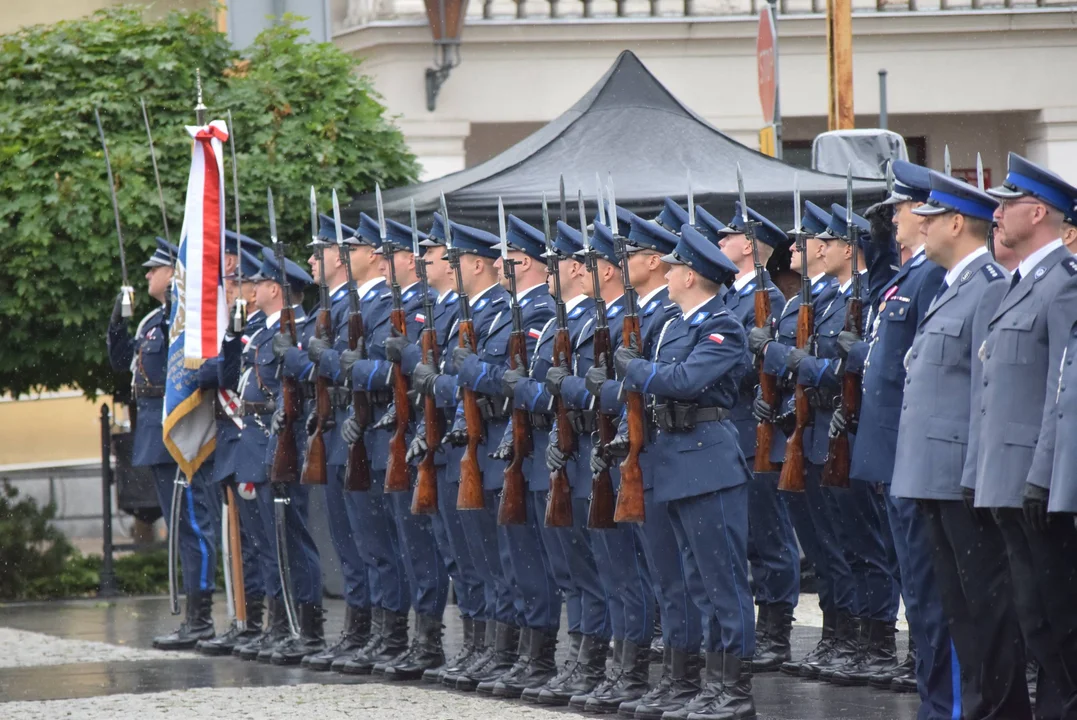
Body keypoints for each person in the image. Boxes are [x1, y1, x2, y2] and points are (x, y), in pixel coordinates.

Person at [893, 170, 1031, 718]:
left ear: (956, 223)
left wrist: (979, 476)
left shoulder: (988, 287)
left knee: (987, 613)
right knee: (960, 612)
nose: (918, 229)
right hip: (935, 475)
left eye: (929, 219)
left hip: (963, 480)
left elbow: (987, 395)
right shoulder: (953, 287)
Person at [614, 223, 756, 720]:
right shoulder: (672, 323)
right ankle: (708, 684)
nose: (668, 274)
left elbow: (686, 380)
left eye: (674, 267)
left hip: (708, 460)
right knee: (697, 583)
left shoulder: (721, 326)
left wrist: (634, 369)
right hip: (674, 458)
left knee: (724, 582)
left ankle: (734, 690)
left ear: (691, 276)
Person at [974, 152, 1077, 719]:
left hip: (1035, 483)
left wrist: (1041, 476)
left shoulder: (1061, 285)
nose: (998, 212)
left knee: (1056, 621)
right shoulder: (1022, 284)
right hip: (1006, 480)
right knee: (1033, 619)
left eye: (1008, 202)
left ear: (1037, 212)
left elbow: (1061, 390)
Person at [547, 213, 656, 714]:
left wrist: (571, 388)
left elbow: (625, 393)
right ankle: (602, 663)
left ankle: (630, 670)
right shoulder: (593, 321)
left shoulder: (642, 321)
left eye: (588, 262)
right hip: (594, 452)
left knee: (630, 572)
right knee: (601, 570)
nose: (578, 270)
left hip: (625, 455)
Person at [341, 217, 451, 681]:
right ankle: (393, 637)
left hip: (415, 430)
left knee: (421, 546)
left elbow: (405, 374)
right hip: (389, 431)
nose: (383, 265)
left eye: (392, 256)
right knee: (387, 544)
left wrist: (345, 367)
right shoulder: (401, 305)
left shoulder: (420, 308)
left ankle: (424, 640)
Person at [409, 222, 517, 691]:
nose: (437, 266)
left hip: (486, 442)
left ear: (476, 263)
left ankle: (504, 650)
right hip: (457, 446)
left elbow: (491, 381)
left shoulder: (501, 311)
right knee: (466, 556)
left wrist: (439, 383)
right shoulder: (457, 313)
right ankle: (478, 644)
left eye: (446, 258)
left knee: (498, 559)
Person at [108, 237, 221, 651]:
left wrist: (179, 296)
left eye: (154, 269)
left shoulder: (184, 318)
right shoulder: (151, 322)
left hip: (182, 433)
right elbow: (122, 362)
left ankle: (201, 617)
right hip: (156, 432)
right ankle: (193, 616)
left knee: (194, 526)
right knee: (180, 529)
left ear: (174, 274)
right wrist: (117, 319)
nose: (147, 275)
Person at [748, 201, 845, 679]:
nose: (800, 247)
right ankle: (838, 636)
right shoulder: (800, 299)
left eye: (810, 240)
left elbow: (824, 367)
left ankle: (857, 637)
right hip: (796, 432)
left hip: (826, 431)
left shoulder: (833, 299)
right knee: (819, 540)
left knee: (841, 543)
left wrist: (783, 367)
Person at [226, 247, 323, 665]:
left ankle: (308, 626)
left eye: (261, 283)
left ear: (277, 290)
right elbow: (230, 375)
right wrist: (232, 336)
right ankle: (280, 623)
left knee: (293, 540)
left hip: (285, 441)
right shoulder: (260, 332)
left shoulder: (300, 330)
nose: (252, 289)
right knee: (268, 540)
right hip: (258, 443)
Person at [716, 202, 799, 675]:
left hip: (758, 429)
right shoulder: (731, 298)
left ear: (748, 245)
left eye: (727, 238)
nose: (719, 246)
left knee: (769, 537)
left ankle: (776, 629)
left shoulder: (771, 301)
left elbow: (773, 364)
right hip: (732, 431)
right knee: (739, 536)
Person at [197, 241, 268, 657]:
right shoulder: (238, 329)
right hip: (231, 443)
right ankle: (247, 618)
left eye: (235, 283)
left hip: (250, 438)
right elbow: (215, 368)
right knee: (239, 540)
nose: (230, 291)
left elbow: (219, 371)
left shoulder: (258, 330)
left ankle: (263, 620)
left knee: (261, 542)